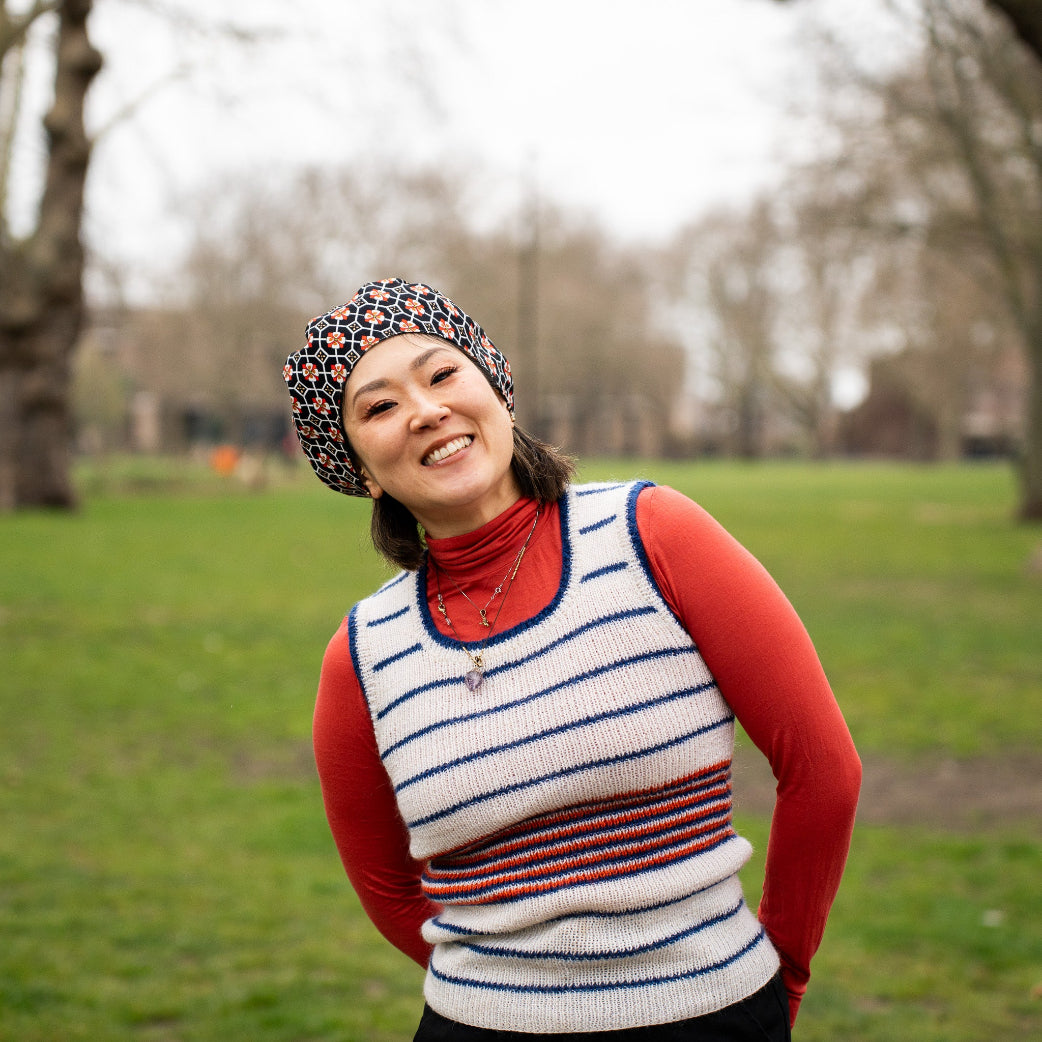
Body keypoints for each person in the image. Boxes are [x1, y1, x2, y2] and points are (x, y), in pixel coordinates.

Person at [283, 278, 861, 1041]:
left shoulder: (654, 536)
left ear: (495, 383)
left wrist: (776, 978)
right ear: (355, 465)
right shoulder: (361, 656)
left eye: (442, 373)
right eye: (380, 406)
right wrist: (510, 1000)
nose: (426, 410)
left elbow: (822, 768)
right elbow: (390, 889)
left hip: (713, 1017)